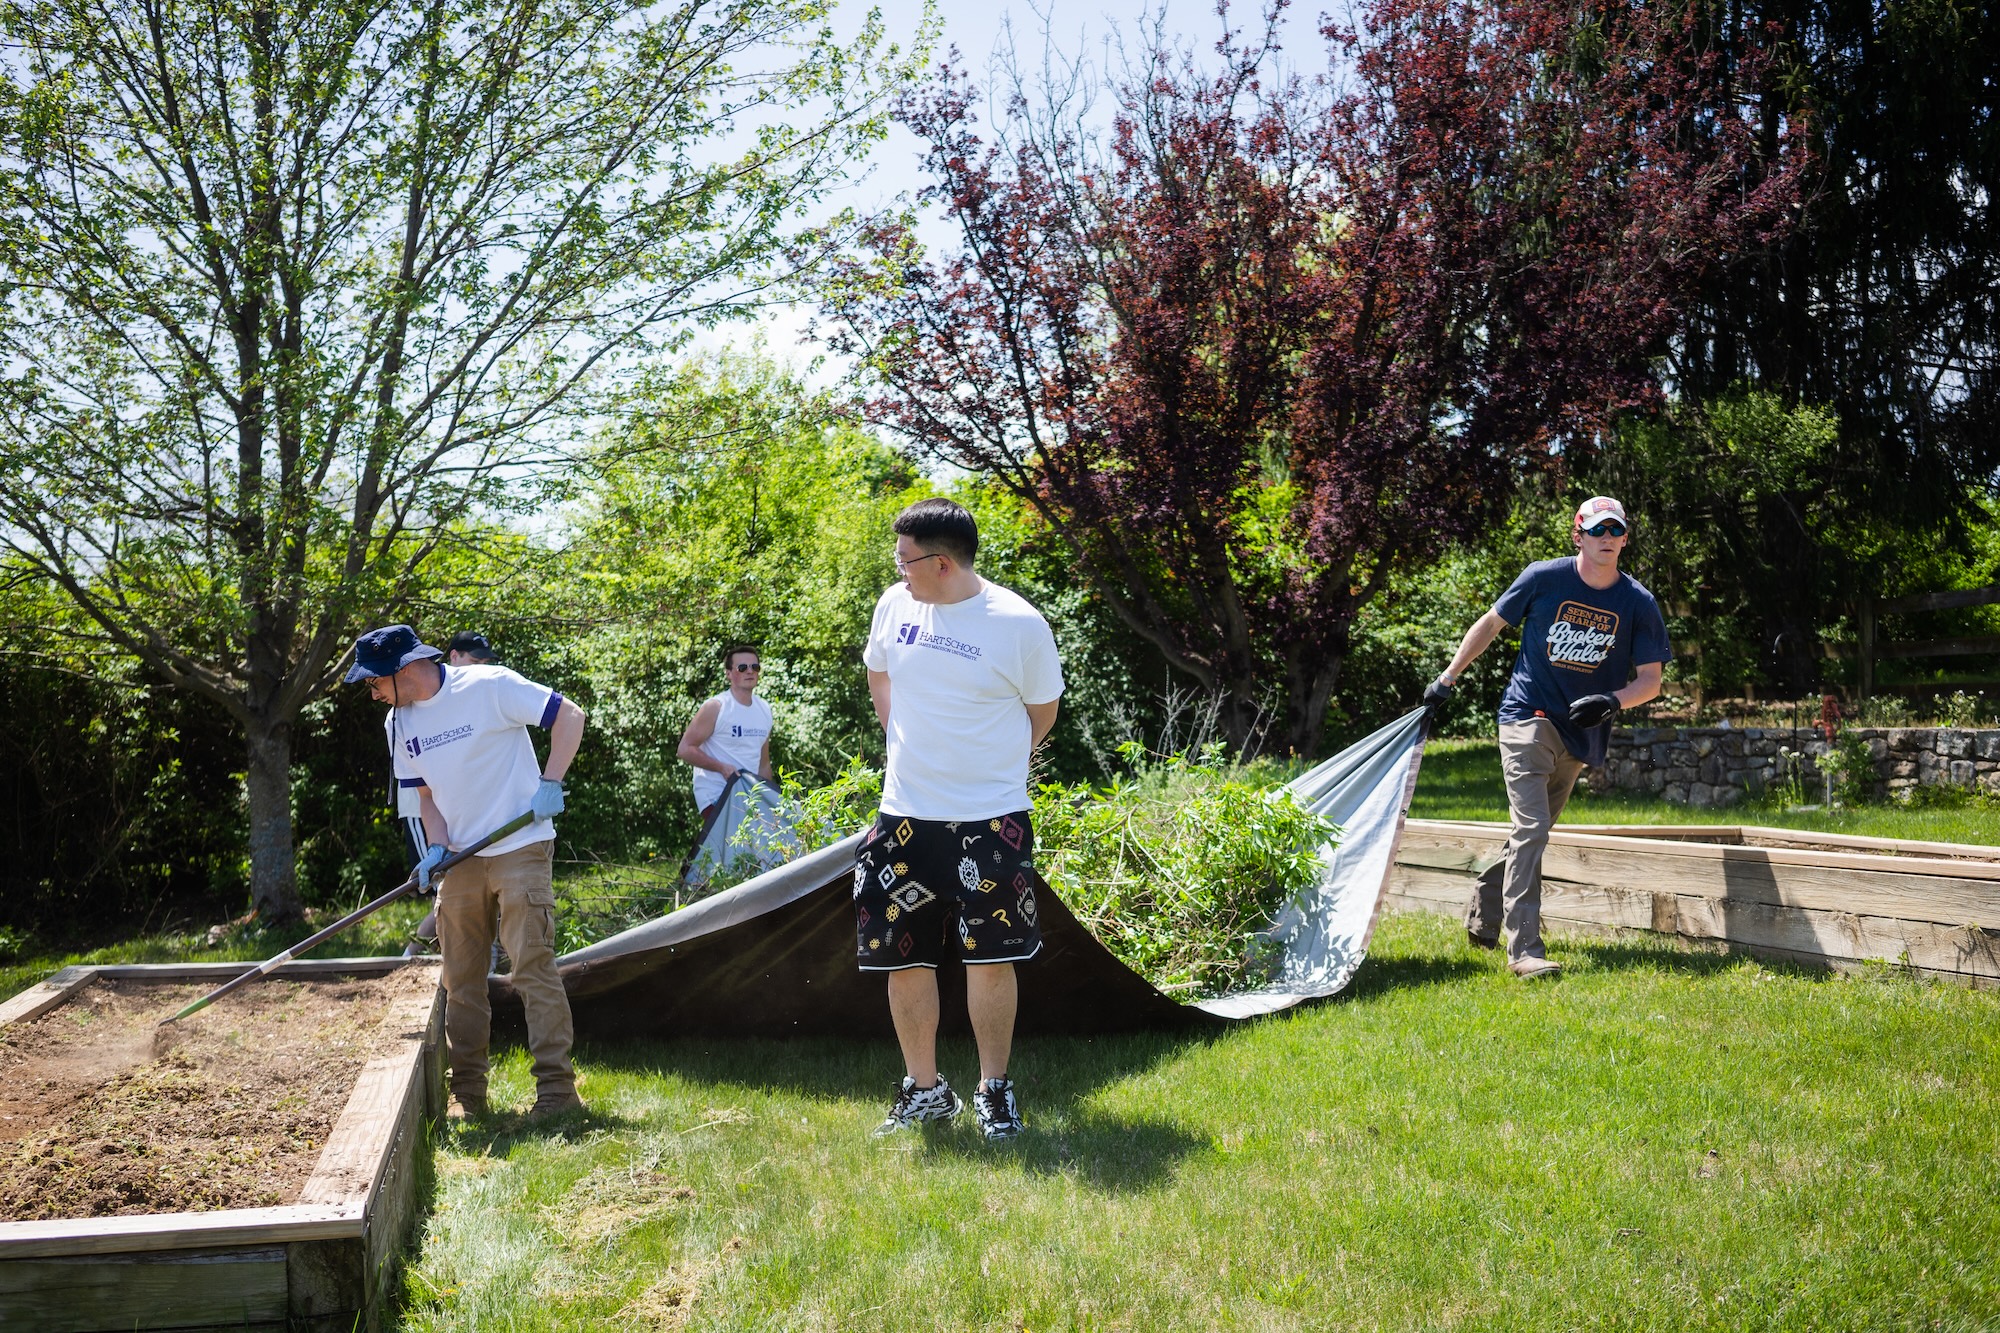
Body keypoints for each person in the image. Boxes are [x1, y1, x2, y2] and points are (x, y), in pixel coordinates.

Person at [856, 498, 1064, 1140]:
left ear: (941, 563)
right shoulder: (896, 605)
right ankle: (925, 1090)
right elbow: (878, 673)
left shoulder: (1018, 624)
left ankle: (992, 1090)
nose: (898, 569)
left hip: (988, 821)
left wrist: (991, 767)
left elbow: (1042, 713)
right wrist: (902, 742)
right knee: (903, 959)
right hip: (905, 818)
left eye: (906, 560)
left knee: (990, 959)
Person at [1423, 496, 1671, 979]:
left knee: (1531, 833)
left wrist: (1614, 701)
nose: (1606, 539)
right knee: (1532, 828)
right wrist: (1448, 677)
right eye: (1596, 530)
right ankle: (1525, 951)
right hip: (1527, 717)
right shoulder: (1543, 577)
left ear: (1625, 538)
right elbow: (1491, 624)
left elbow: (1651, 680)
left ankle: (1483, 906)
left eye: (1614, 531)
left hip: (1581, 728)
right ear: (1578, 535)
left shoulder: (1637, 602)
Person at [347, 623, 588, 1119]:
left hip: (521, 845)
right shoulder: (398, 724)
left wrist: (551, 781)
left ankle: (558, 1093)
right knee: (461, 979)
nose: (372, 694)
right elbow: (426, 797)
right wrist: (436, 848)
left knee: (531, 967)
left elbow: (569, 714)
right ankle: (468, 1095)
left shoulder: (488, 685)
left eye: (374, 682)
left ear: (405, 668)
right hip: (459, 859)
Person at [676, 645, 774, 821]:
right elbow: (684, 749)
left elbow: (764, 765)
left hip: (749, 798)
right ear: (728, 673)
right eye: (742, 668)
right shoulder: (716, 707)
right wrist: (721, 768)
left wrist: (772, 799)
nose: (749, 672)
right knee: (739, 847)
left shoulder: (764, 709)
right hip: (716, 795)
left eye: (755, 667)